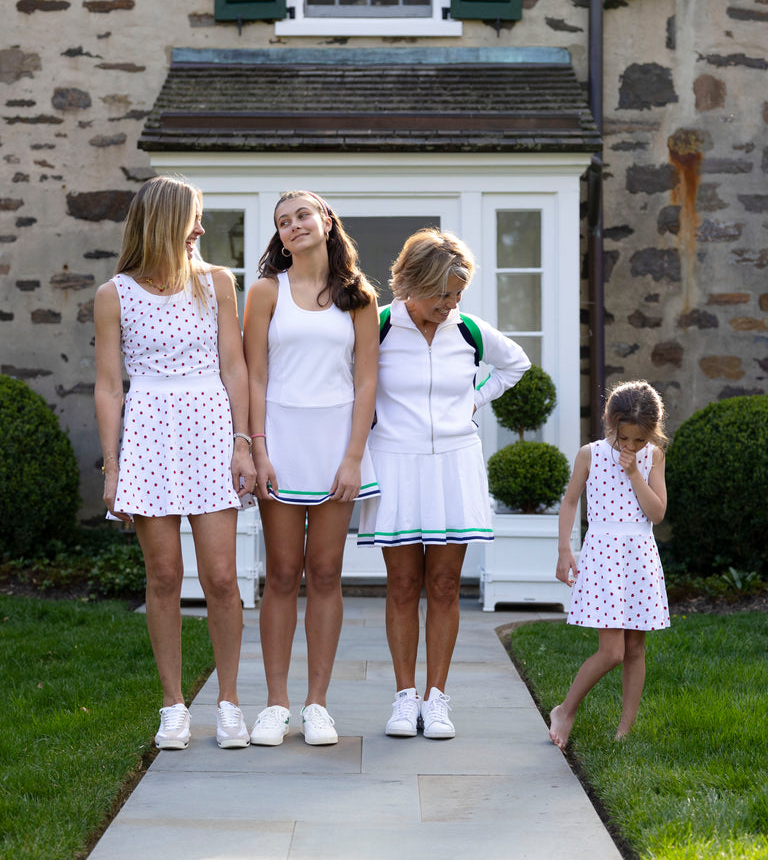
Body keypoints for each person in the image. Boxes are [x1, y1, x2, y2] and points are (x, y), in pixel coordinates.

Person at [94, 175, 256, 751]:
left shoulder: (217, 283)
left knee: (221, 578)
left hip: (210, 430)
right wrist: (112, 468)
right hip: (148, 435)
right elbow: (109, 387)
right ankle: (173, 707)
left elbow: (234, 367)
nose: (202, 229)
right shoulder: (114, 294)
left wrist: (243, 443)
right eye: (193, 219)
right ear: (164, 222)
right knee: (163, 577)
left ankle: (230, 703)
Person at [357, 229, 531, 739]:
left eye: (458, 294)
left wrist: (473, 400)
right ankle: (403, 698)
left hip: (455, 464)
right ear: (412, 283)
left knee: (445, 584)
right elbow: (350, 382)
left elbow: (516, 364)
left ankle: (436, 700)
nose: (452, 304)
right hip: (395, 464)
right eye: (443, 294)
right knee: (401, 585)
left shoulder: (468, 330)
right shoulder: (378, 326)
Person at [242, 190, 379, 747]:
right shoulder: (264, 292)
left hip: (335, 447)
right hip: (279, 443)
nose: (294, 225)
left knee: (325, 573)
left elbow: (366, 382)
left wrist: (353, 456)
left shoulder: (359, 296)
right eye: (283, 221)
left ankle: (317, 705)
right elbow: (254, 376)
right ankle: (275, 705)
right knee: (280, 574)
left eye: (302, 214)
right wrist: (258, 449)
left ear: (325, 221)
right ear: (279, 235)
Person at [549, 379, 669, 749]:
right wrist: (565, 550)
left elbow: (657, 513)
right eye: (624, 438)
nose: (630, 446)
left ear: (652, 433)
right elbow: (571, 501)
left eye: (639, 440)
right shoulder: (590, 454)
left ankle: (624, 730)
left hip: (639, 557)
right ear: (609, 422)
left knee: (634, 649)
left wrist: (634, 473)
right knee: (612, 652)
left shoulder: (653, 457)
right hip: (603, 555)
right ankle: (565, 710)